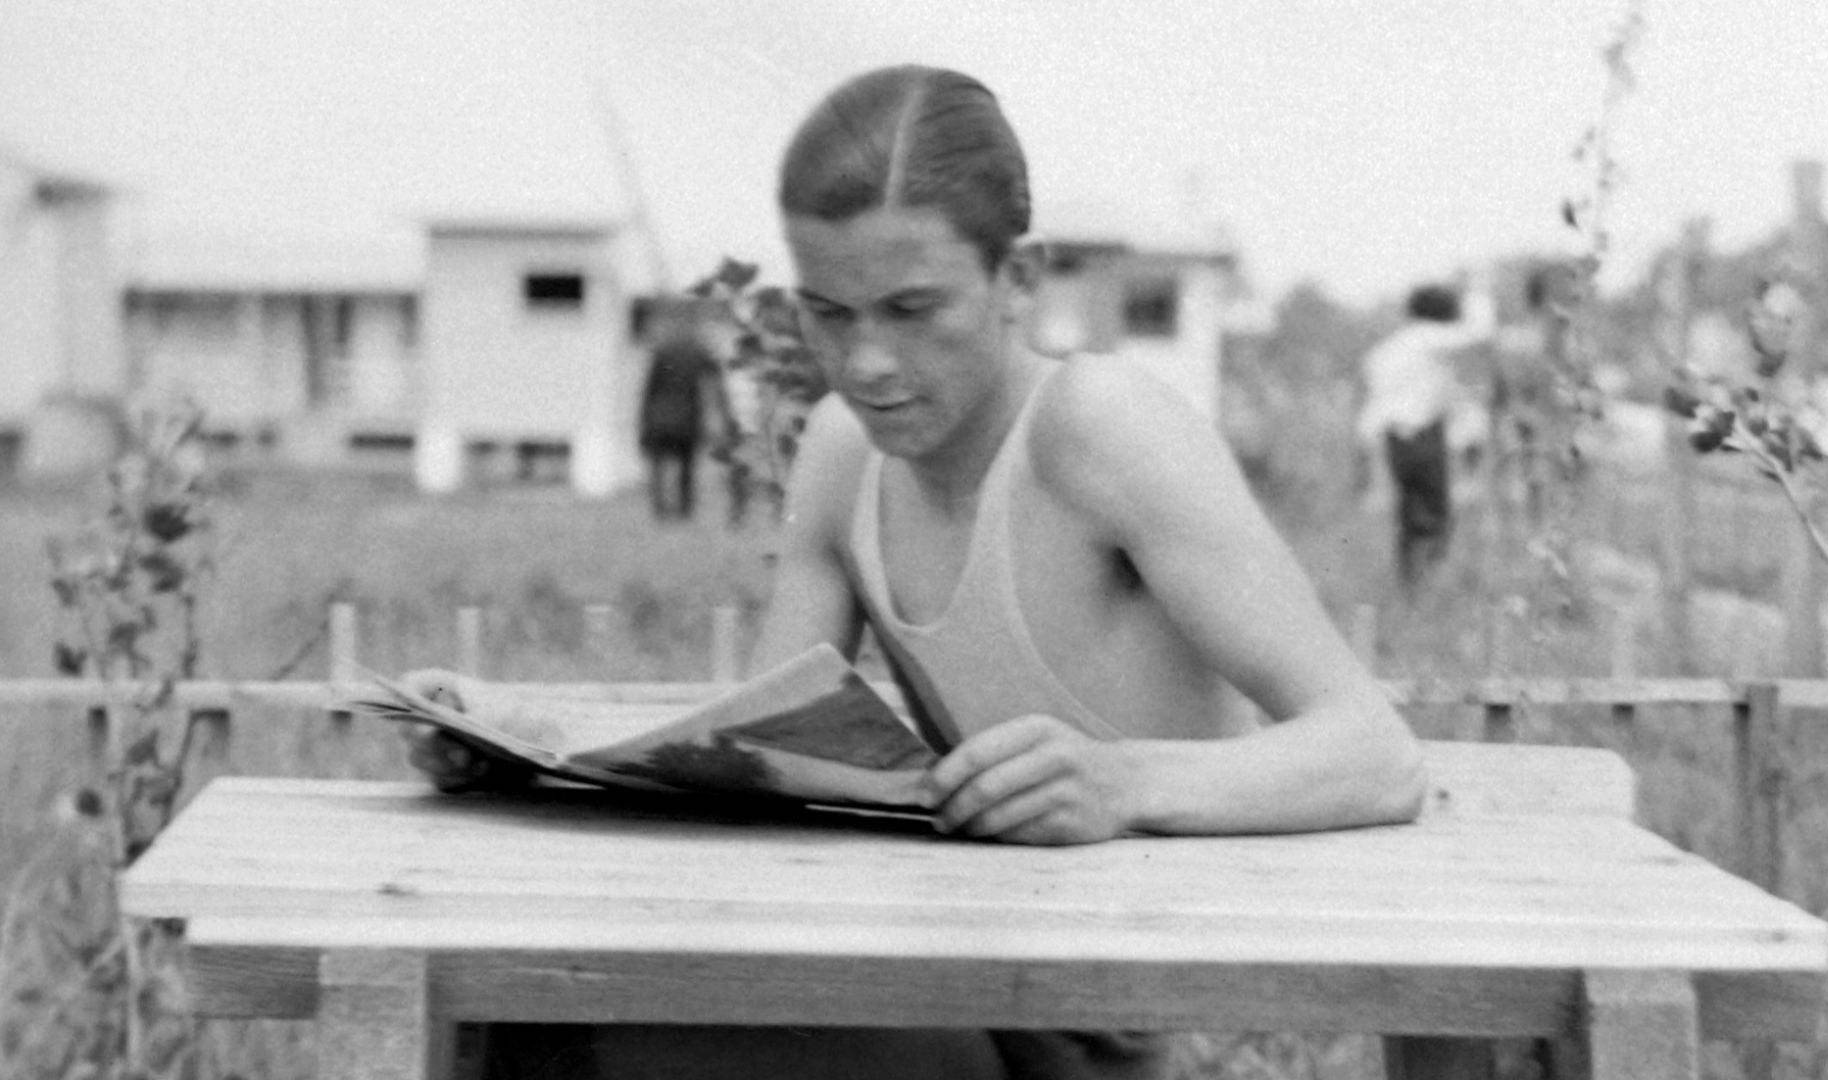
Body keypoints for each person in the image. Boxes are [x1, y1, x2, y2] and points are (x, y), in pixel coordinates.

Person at [410, 64, 1451, 1080]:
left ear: (1019, 279)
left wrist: (1124, 782)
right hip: (929, 979)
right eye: (829, 313)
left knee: (550, 1042)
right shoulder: (841, 452)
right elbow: (751, 767)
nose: (866, 363)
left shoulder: (1101, 427)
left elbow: (1376, 754)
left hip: (1083, 1034)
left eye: (913, 310)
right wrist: (522, 747)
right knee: (515, 1021)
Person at [1354, 279, 1496, 592]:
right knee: (1437, 515)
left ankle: (1410, 586)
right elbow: (1480, 332)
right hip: (1423, 435)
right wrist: (1480, 289)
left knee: (1408, 517)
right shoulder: (1429, 337)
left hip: (1390, 440)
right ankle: (1428, 584)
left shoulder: (1385, 350)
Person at [639, 332, 720, 521]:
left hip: (660, 418)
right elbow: (714, 380)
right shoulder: (698, 352)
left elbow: (649, 390)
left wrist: (644, 421)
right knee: (686, 468)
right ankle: (684, 510)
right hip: (687, 418)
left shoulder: (661, 353)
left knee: (658, 467)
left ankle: (661, 510)